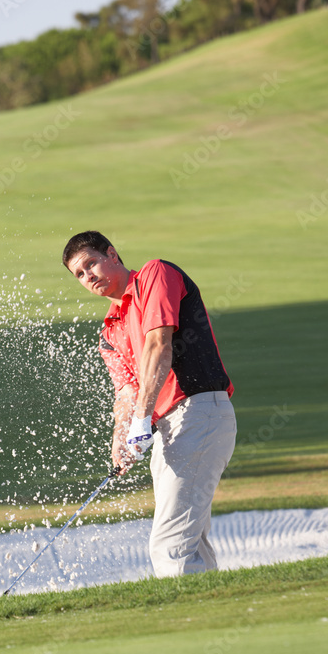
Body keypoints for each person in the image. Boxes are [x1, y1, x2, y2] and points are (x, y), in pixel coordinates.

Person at [62, 230, 236, 578]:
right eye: (79, 275)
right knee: (191, 540)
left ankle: (183, 625)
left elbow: (159, 344)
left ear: (111, 254)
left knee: (169, 546)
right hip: (173, 430)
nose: (88, 276)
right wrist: (121, 439)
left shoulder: (154, 275)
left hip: (198, 413)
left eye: (91, 264)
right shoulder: (109, 332)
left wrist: (142, 419)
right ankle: (212, 613)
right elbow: (126, 390)